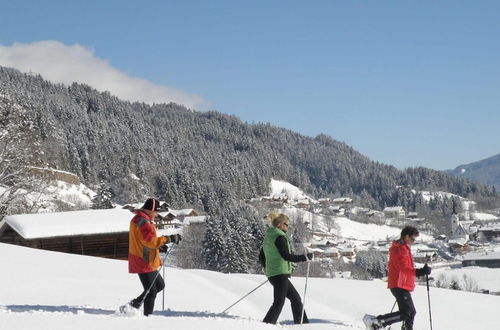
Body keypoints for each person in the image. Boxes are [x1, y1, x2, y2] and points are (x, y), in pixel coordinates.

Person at [363, 226, 431, 330]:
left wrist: (420, 270)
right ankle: (377, 322)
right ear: (406, 236)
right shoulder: (399, 249)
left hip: (402, 284)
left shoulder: (404, 248)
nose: (414, 241)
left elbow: (406, 267)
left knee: (411, 312)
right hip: (398, 284)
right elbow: (403, 268)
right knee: (406, 312)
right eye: (413, 239)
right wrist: (420, 271)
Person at [127, 198, 182, 316]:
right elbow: (150, 241)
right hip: (144, 261)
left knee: (159, 285)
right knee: (151, 291)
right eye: (156, 212)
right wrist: (169, 239)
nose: (157, 214)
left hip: (145, 257)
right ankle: (148, 317)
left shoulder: (139, 219)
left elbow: (144, 241)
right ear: (150, 210)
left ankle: (135, 304)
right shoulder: (144, 223)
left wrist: (158, 247)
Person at [259, 213, 313, 324]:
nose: (287, 227)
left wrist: (269, 269)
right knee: (279, 302)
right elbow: (286, 256)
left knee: (296, 299)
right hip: (280, 274)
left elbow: (261, 257)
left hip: (276, 274)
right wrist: (305, 257)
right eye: (286, 224)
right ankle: (266, 324)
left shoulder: (268, 237)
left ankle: (302, 324)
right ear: (280, 224)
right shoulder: (279, 237)